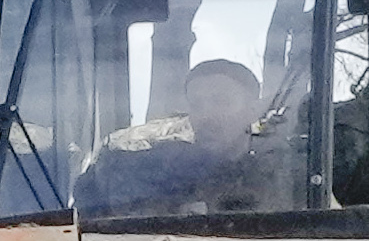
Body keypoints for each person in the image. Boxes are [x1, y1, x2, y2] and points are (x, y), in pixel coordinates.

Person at [79, 55, 286, 217]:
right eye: (197, 104)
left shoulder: (286, 175)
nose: (206, 115)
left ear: (252, 110)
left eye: (221, 101)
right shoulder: (144, 170)